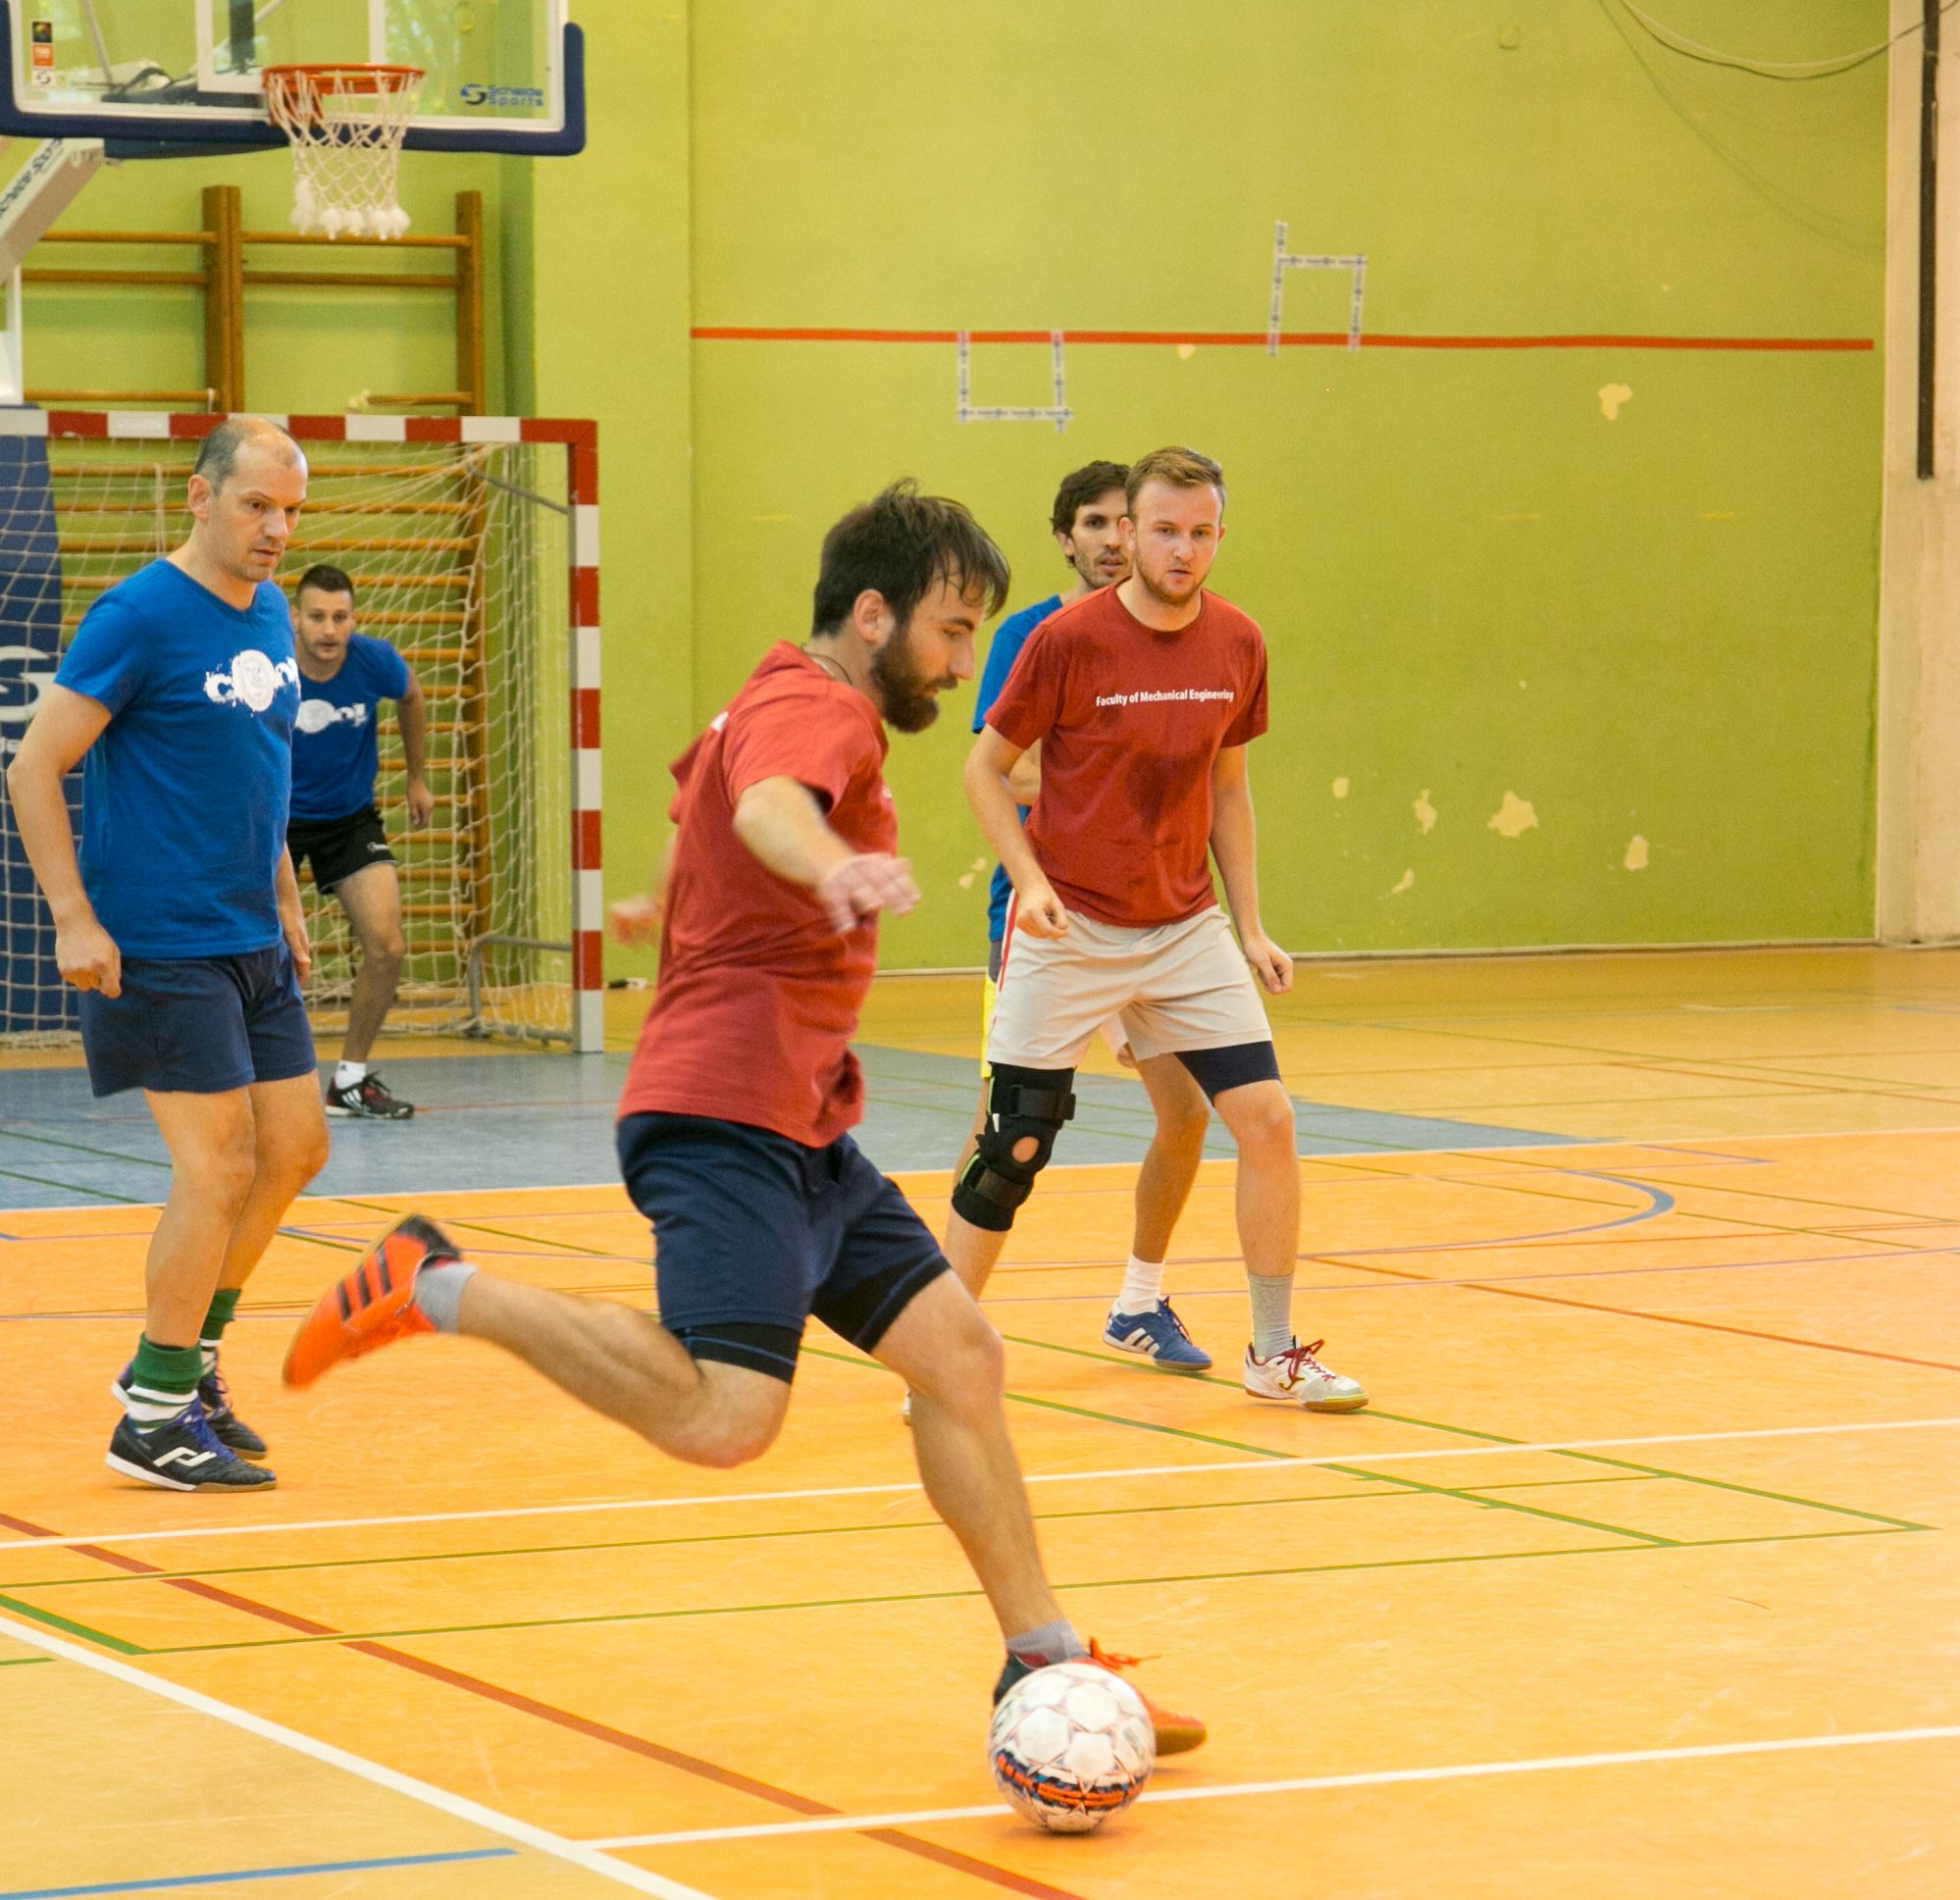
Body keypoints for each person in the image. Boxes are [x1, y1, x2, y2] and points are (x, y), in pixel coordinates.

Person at [278, 481, 1202, 1750]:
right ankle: (435, 1283)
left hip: (801, 1118)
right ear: (872, 615)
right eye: (950, 630)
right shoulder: (819, 709)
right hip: (725, 1110)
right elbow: (770, 806)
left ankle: (1042, 1661)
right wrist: (839, 866)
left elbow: (707, 804)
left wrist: (669, 902)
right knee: (725, 1416)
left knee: (962, 1358)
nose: (960, 663)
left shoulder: (763, 694)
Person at [954, 445, 1364, 1411]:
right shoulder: (1064, 640)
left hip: (1183, 926)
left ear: (1220, 536)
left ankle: (1273, 1352)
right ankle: (939, 1356)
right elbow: (984, 768)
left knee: (1265, 1119)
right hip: (1071, 924)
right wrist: (1030, 881)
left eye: (1201, 532)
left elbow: (1230, 786)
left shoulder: (1238, 641)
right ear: (1131, 533)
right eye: (1165, 530)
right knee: (1011, 1146)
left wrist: (1250, 925)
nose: (1183, 549)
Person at [4, 417, 329, 1491]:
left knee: (294, 1149)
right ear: (200, 496)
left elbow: (255, 765)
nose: (275, 529)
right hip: (160, 938)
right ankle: (151, 1417)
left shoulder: (270, 608)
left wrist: (285, 896)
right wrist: (72, 914)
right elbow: (33, 767)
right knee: (219, 1164)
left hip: (250, 934)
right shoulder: (138, 615)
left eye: (290, 510)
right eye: (256, 504)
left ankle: (187, 1365)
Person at [971, 461, 1213, 1373]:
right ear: (1063, 537)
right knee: (1008, 1130)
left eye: (1126, 521)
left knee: (1186, 1110)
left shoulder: (1178, 638)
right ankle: (943, 1326)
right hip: (1050, 913)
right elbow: (1005, 768)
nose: (1114, 539)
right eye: (1094, 523)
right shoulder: (1036, 635)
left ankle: (1138, 1301)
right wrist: (1111, 784)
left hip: (1155, 914)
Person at [285, 562, 433, 1120]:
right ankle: (256, 1081)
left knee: (387, 946)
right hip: (275, 820)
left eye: (340, 617)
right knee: (261, 956)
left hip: (348, 819)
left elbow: (411, 696)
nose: (329, 630)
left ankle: (348, 1080)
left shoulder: (374, 661)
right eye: (317, 617)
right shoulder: (271, 667)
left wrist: (416, 777)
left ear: (353, 619)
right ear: (295, 618)